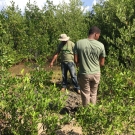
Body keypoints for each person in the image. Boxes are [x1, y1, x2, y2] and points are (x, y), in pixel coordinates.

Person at [74, 26, 106, 106]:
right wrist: (95, 66)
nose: (99, 37)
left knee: (85, 93)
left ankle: (86, 112)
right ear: (95, 34)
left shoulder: (79, 43)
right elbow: (102, 63)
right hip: (96, 73)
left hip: (84, 73)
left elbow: (76, 60)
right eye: (99, 35)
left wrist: (81, 63)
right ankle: (93, 112)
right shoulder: (101, 45)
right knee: (93, 93)